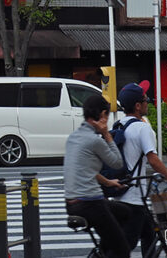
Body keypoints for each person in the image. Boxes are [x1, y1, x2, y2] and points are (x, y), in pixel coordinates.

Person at [105, 82, 167, 257]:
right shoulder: (142, 128)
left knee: (150, 235)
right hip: (133, 200)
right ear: (138, 106)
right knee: (124, 248)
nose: (148, 102)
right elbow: (153, 160)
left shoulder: (118, 125)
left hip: (118, 193)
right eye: (145, 100)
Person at [64, 94, 132, 258]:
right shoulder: (95, 140)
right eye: (107, 115)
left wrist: (108, 182)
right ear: (102, 115)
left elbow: (87, 170)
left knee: (123, 213)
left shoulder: (73, 138)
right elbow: (117, 163)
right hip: (90, 204)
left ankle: (101, 253)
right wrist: (107, 135)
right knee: (122, 250)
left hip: (71, 204)